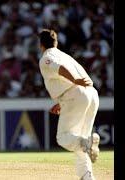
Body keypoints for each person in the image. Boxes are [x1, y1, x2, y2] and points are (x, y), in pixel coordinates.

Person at [37, 29, 100, 180]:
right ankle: (87, 176)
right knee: (79, 141)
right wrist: (62, 101)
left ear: (41, 45)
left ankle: (90, 142)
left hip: (75, 93)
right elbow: (62, 73)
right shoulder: (65, 55)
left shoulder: (47, 56)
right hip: (91, 93)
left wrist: (74, 82)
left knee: (64, 138)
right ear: (56, 42)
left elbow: (59, 69)